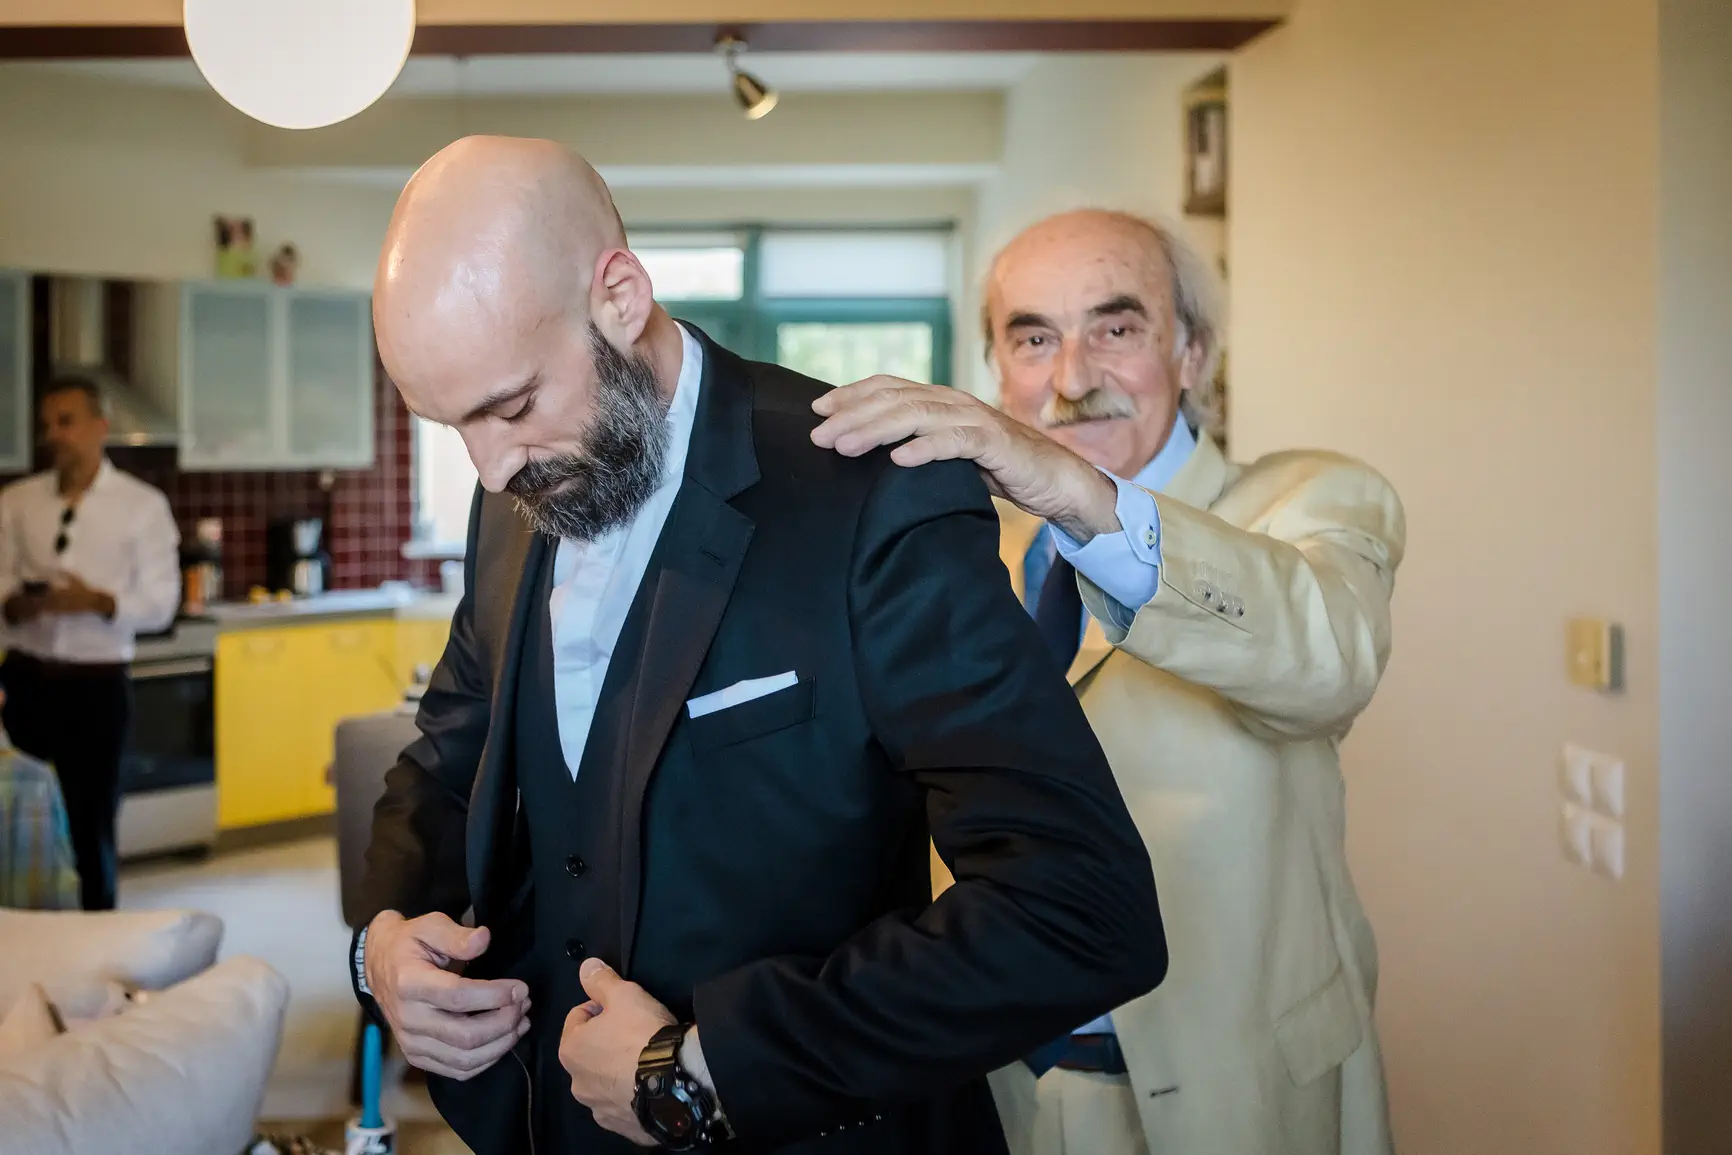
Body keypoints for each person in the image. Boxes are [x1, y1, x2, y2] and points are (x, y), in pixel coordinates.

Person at [352, 138, 1167, 1155]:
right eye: (451, 426)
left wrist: (707, 1070)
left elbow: (1081, 908)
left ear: (619, 297)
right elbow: (446, 757)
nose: (489, 469)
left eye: (512, 405)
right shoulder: (515, 495)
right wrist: (383, 941)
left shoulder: (874, 493)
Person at [810, 209, 1404, 1155]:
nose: (1072, 379)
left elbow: (1328, 661)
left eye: (1115, 328)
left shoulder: (1311, 500)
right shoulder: (950, 549)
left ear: (1192, 352)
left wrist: (1072, 491)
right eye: (1033, 338)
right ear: (997, 364)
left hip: (1241, 1096)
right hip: (993, 1085)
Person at [0, 376, 180, 911]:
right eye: (47, 425)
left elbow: (161, 603)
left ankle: (98, 933)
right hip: (25, 677)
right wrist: (19, 603)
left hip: (95, 687)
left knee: (91, 824)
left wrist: (98, 601)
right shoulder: (16, 501)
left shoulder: (142, 506)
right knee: (16, 818)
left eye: (66, 422)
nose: (54, 435)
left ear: (100, 427)